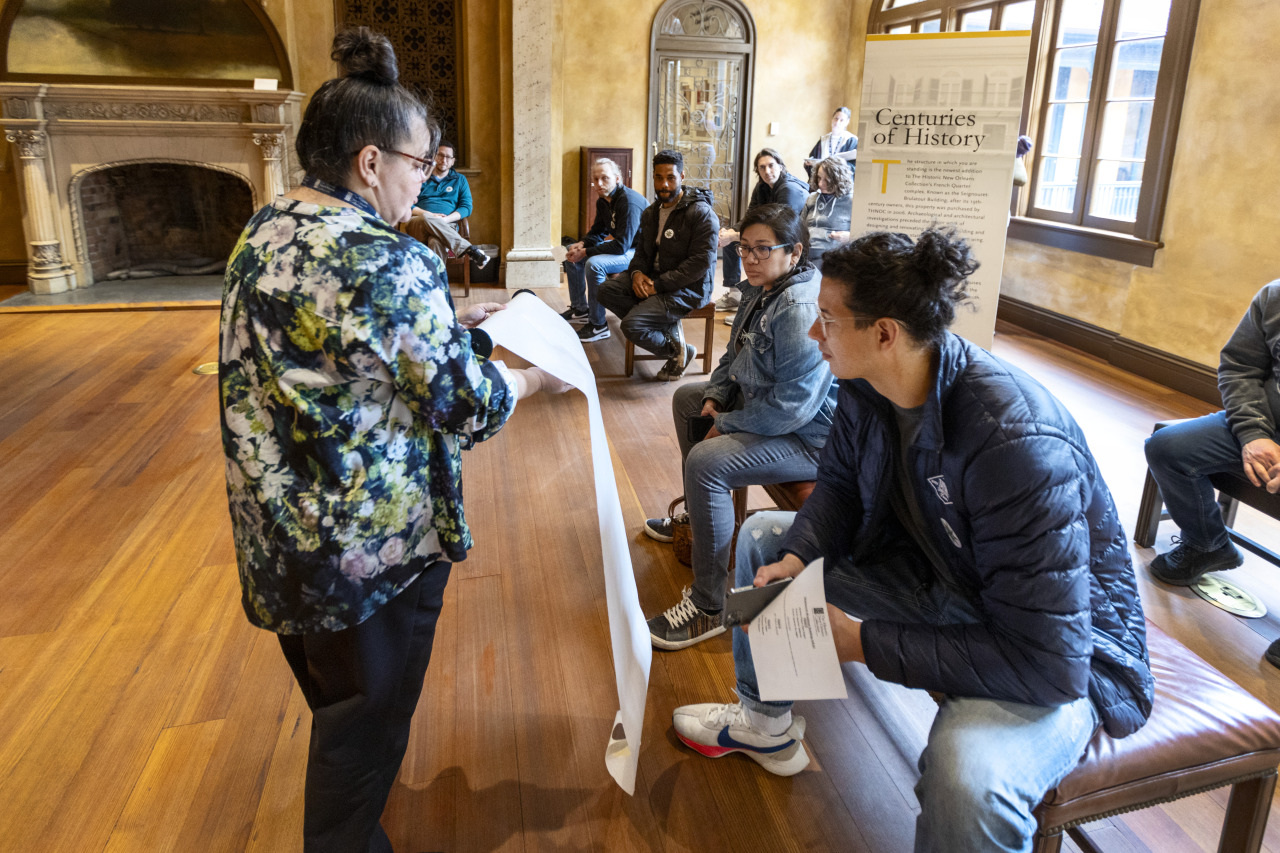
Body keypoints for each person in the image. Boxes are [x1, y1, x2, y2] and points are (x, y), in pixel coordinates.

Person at [672, 229, 1153, 853]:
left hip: (1061, 649)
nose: (815, 335)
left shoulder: (1015, 442)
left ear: (884, 333)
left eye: (826, 320)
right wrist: (801, 553)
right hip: (947, 576)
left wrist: (862, 642)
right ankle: (765, 724)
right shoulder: (869, 382)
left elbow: (1047, 660)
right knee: (769, 541)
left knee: (970, 778)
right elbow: (841, 484)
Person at [218, 29, 568, 853]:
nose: (426, 179)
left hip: (280, 538)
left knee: (336, 702)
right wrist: (534, 377)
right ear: (370, 162)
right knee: (363, 731)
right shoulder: (386, 261)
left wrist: (452, 323)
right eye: (421, 163)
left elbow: (338, 352)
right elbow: (465, 404)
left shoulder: (266, 228)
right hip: (366, 552)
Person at [642, 204, 837, 649]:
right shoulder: (761, 286)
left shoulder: (798, 306)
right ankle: (704, 516)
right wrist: (714, 396)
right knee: (687, 399)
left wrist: (725, 422)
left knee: (707, 461)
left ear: (795, 252)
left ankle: (709, 604)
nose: (749, 258)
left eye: (763, 249)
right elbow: (733, 354)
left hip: (809, 437)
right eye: (745, 248)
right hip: (771, 410)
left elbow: (793, 409)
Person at [1143, 281, 1280, 591]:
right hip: (1265, 423)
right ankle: (1208, 545)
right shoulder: (1275, 295)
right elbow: (1240, 366)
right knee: (1167, 448)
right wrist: (1253, 433)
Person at [598, 149, 719, 382]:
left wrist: (658, 285)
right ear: (653, 177)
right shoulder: (651, 213)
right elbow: (642, 253)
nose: (664, 184)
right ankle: (670, 333)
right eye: (658, 177)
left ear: (682, 177)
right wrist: (635, 274)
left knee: (632, 326)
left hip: (689, 288)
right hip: (655, 278)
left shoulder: (701, 213)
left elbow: (699, 264)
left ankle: (678, 353)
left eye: (671, 178)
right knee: (605, 290)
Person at [559, 158, 647, 343]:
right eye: (595, 178)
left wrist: (586, 252)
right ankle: (581, 309)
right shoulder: (604, 201)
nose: (599, 183)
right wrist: (582, 244)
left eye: (604, 178)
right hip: (626, 248)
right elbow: (598, 231)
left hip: (642, 253)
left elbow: (621, 245)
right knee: (570, 252)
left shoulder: (628, 202)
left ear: (617, 178)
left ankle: (598, 325)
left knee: (594, 264)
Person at [716, 148, 810, 318]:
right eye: (762, 168)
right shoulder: (762, 187)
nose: (767, 171)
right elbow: (750, 216)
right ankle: (735, 295)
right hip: (771, 234)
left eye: (771, 166)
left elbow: (780, 228)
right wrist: (730, 232)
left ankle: (759, 307)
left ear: (781, 166)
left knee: (752, 247)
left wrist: (736, 236)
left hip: (789, 241)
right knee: (733, 242)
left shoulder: (789, 189)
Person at [403, 138, 493, 270]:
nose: (444, 160)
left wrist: (445, 220)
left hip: (447, 225)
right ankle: (469, 249)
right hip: (418, 223)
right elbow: (407, 203)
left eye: (448, 157)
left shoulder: (459, 180)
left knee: (435, 241)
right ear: (433, 156)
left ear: (453, 161)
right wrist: (429, 215)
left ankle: (436, 285)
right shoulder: (421, 176)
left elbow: (466, 207)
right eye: (440, 155)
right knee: (428, 218)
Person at [800, 156, 854, 266]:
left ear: (839, 180)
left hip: (832, 259)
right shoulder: (812, 198)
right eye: (819, 178)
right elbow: (799, 227)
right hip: (805, 255)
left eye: (827, 180)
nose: (820, 184)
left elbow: (865, 235)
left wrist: (850, 236)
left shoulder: (852, 201)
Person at [803, 106, 858, 180]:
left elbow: (854, 166)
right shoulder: (823, 140)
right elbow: (813, 158)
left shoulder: (851, 140)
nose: (837, 122)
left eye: (842, 120)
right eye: (836, 118)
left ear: (847, 122)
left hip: (840, 182)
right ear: (832, 119)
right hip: (822, 180)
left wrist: (835, 167)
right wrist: (809, 164)